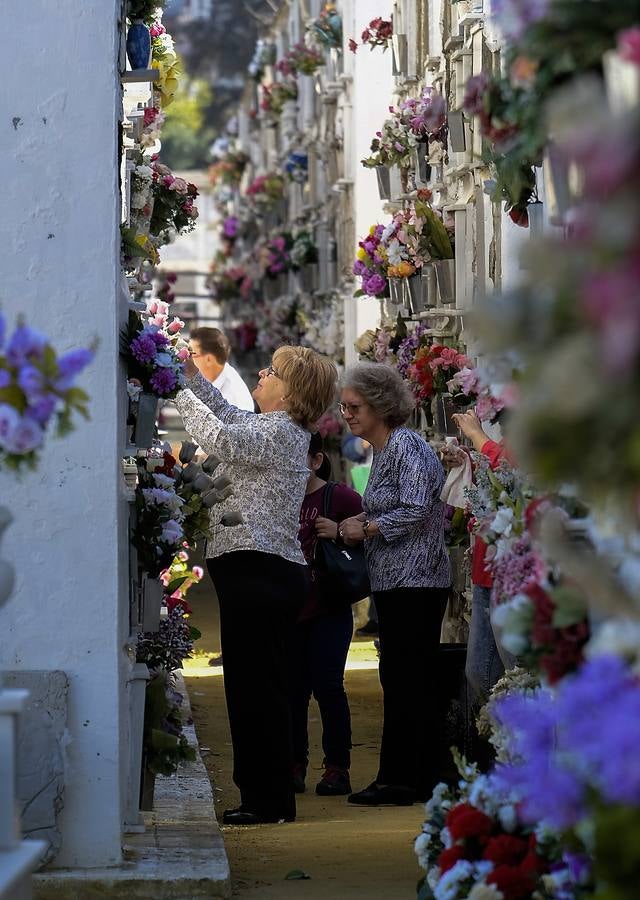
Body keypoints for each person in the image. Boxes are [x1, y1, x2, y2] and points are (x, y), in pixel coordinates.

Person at [174, 345, 338, 825]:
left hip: (261, 570)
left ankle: (267, 800)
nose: (260, 375)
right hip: (253, 569)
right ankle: (262, 794)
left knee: (257, 690)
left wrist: (175, 390)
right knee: (251, 686)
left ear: (291, 391)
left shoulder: (286, 434)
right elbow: (224, 411)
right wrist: (184, 373)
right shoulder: (271, 427)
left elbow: (221, 437)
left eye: (272, 371)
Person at [337, 362, 451, 806]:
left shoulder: (406, 446)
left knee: (408, 678)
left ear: (381, 405)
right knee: (400, 676)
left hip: (416, 580)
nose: (347, 414)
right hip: (396, 580)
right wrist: (359, 521)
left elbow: (418, 508)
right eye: (345, 407)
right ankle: (402, 775)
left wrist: (365, 528)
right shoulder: (385, 450)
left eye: (355, 406)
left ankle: (407, 778)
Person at [292, 433, 363, 797]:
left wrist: (337, 534)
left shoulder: (341, 498)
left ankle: (337, 767)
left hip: (329, 608)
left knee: (329, 687)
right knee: (292, 690)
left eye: (294, 454)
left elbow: (369, 538)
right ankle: (294, 763)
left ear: (315, 460)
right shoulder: (276, 497)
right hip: (289, 607)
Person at [448, 410, 516, 702]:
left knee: (513, 676)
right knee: (480, 675)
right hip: (487, 572)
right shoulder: (504, 444)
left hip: (511, 575)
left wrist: (477, 436)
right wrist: (466, 460)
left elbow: (516, 474)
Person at [189, 326, 254, 411]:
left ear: (209, 359)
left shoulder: (234, 401)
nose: (186, 359)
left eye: (191, 355)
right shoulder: (210, 380)